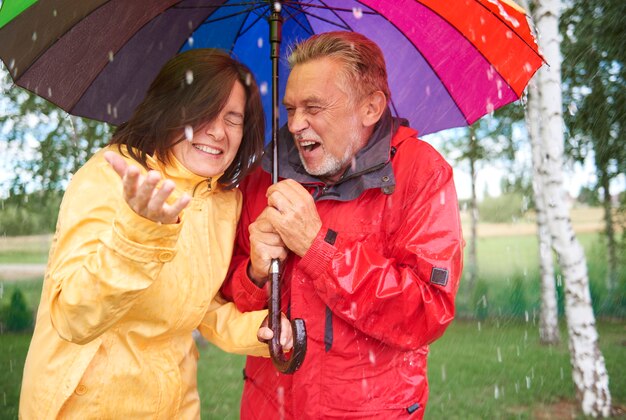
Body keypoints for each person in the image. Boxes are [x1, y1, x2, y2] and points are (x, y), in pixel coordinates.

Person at [19, 49, 292, 419]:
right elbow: (73, 318)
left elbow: (196, 305)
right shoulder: (110, 177)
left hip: (173, 403)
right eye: (204, 111)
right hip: (86, 403)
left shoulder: (224, 202)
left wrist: (259, 329)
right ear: (170, 110)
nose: (217, 131)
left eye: (233, 119)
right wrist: (139, 233)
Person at [221, 31, 464, 419]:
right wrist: (255, 274)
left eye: (313, 107)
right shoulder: (264, 177)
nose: (296, 124)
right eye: (290, 108)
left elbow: (426, 311)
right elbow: (229, 300)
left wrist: (318, 247)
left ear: (370, 108)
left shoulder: (422, 173)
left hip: (371, 410)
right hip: (268, 406)